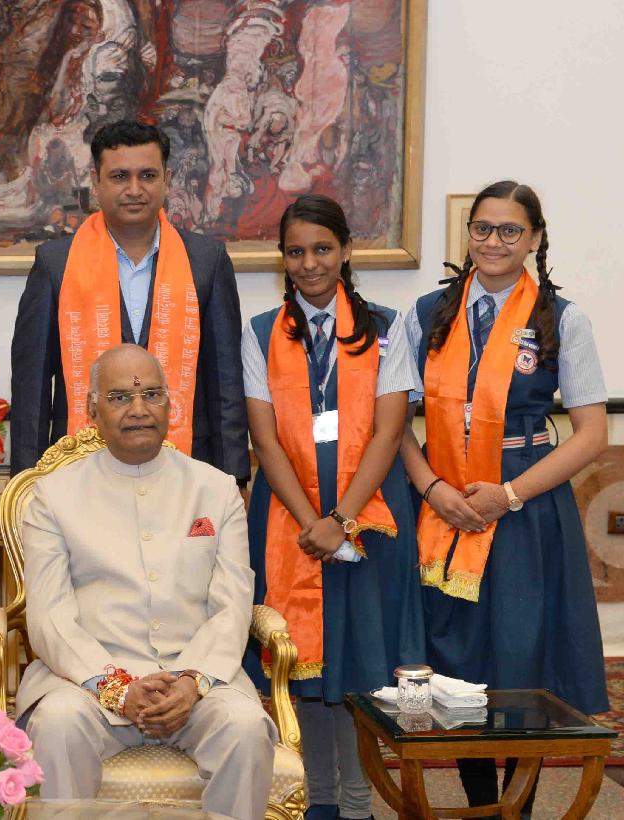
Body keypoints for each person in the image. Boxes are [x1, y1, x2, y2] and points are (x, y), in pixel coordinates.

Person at [401, 181, 608, 815]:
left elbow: (592, 434)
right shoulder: (426, 314)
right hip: (445, 506)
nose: (494, 241)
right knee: (455, 659)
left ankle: (517, 808)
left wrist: (510, 495)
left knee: (524, 658)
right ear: (468, 234)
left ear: (535, 238)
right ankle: (479, 803)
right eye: (483, 228)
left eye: (510, 230)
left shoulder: (561, 319)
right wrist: (432, 487)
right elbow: (391, 425)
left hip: (525, 507)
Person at [18, 344, 277, 820]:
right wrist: (117, 688)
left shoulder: (216, 489)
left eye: (151, 394)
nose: (138, 409)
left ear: (169, 405)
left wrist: (192, 681)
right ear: (92, 410)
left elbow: (233, 605)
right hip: (88, 684)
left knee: (244, 728)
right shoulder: (53, 496)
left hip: (199, 681)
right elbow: (50, 616)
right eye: (119, 397)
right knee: (57, 724)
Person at [242, 195, 424, 820]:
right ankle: (318, 799)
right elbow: (265, 439)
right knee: (306, 666)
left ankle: (357, 803)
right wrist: (310, 522)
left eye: (323, 249)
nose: (310, 263)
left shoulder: (389, 325)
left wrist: (341, 519)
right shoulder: (260, 332)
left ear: (346, 250)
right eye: (296, 252)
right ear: (283, 259)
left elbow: (389, 430)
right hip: (288, 515)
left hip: (369, 514)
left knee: (360, 663)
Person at [9, 119, 248, 486]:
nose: (135, 189)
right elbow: (32, 389)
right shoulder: (56, 263)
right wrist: (25, 482)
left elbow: (226, 383)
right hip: (79, 470)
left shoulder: (206, 260)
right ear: (96, 181)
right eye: (120, 176)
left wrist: (235, 477)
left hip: (188, 466)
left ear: (167, 179)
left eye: (147, 175)